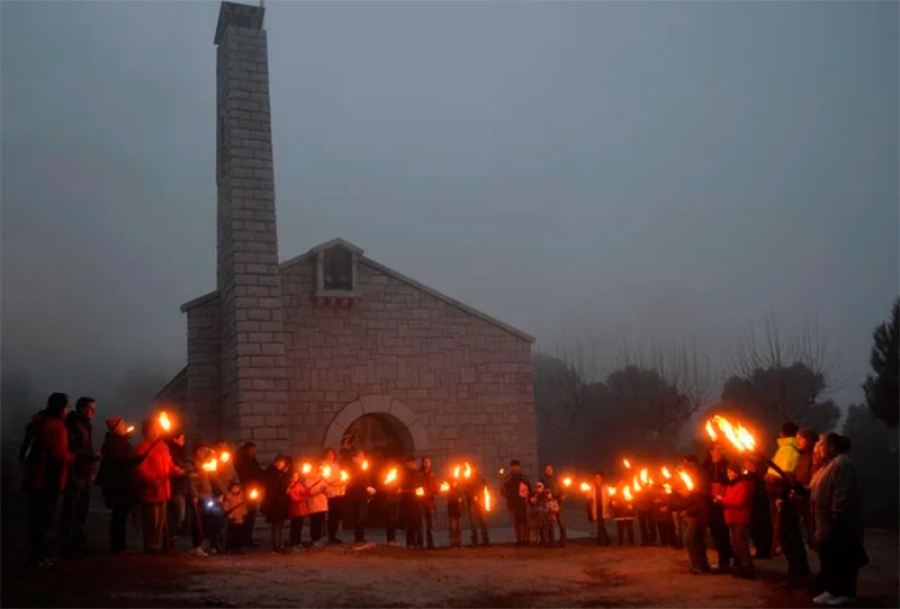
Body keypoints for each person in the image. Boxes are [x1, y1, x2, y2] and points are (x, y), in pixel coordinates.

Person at [810, 434, 867, 607]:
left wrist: (837, 516)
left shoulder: (843, 464)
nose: (818, 448)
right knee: (830, 559)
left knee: (844, 559)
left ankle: (847, 594)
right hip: (826, 525)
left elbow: (842, 494)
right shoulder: (828, 465)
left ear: (832, 446)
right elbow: (817, 489)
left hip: (840, 524)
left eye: (821, 445)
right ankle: (832, 590)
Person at [22, 393, 75, 567]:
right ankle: (40, 556)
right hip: (49, 477)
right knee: (45, 518)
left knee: (35, 517)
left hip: (34, 475)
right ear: (61, 408)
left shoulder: (38, 421)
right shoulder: (57, 426)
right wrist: (73, 457)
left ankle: (34, 553)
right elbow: (60, 454)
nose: (67, 410)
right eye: (66, 407)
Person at [95, 417, 146, 554]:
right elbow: (121, 462)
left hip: (122, 484)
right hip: (118, 485)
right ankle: (117, 546)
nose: (125, 426)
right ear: (116, 428)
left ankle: (119, 545)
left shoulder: (119, 442)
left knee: (121, 515)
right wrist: (138, 459)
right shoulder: (113, 443)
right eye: (123, 424)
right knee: (119, 515)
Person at [135, 419, 184, 554]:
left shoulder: (162, 445)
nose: (155, 431)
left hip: (163, 489)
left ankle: (157, 544)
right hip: (151, 490)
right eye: (152, 428)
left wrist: (178, 470)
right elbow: (141, 468)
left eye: (157, 428)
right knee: (152, 519)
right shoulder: (142, 447)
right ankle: (150, 546)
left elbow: (169, 464)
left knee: (161, 520)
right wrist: (151, 480)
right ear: (146, 431)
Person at [59, 396, 98, 556]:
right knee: (74, 508)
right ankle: (70, 543)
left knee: (81, 507)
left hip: (82, 470)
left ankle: (76, 541)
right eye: (91, 409)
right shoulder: (74, 425)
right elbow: (72, 449)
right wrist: (90, 456)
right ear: (82, 409)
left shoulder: (85, 425)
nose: (93, 413)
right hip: (75, 472)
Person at [715, 462, 755, 579]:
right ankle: (742, 566)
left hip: (740, 519)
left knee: (742, 545)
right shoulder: (730, 486)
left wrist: (723, 500)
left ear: (737, 473)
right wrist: (720, 501)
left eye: (731, 472)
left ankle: (749, 568)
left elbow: (739, 502)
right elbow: (728, 500)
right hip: (731, 518)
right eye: (728, 472)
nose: (729, 474)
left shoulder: (743, 485)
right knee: (734, 545)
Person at [768, 421, 801, 555]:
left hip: (781, 496)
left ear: (783, 433)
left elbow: (786, 476)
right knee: (784, 531)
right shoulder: (784, 449)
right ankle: (794, 564)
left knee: (787, 531)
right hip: (777, 493)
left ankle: (797, 567)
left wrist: (779, 494)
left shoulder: (788, 450)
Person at [703, 442, 734, 572]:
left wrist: (723, 490)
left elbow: (731, 481)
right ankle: (724, 558)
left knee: (724, 533)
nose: (720, 451)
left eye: (722, 449)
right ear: (711, 451)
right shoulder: (706, 466)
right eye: (717, 449)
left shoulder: (727, 464)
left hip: (724, 503)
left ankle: (725, 561)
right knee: (716, 533)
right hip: (710, 504)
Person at [680, 455, 710, 574]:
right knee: (695, 541)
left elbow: (700, 501)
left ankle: (699, 564)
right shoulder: (691, 478)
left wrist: (688, 510)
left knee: (690, 540)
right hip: (693, 514)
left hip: (697, 515)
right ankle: (701, 565)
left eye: (686, 463)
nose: (684, 466)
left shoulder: (699, 477)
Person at [234, 441, 265, 547]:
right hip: (245, 490)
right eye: (252, 450)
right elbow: (244, 474)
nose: (253, 452)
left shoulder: (252, 460)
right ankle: (242, 540)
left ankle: (248, 539)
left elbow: (258, 471)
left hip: (252, 490)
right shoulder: (241, 460)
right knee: (244, 515)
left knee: (251, 515)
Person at [166, 430, 192, 552]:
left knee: (180, 515)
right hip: (176, 487)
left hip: (181, 487)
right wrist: (185, 470)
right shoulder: (173, 452)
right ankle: (170, 538)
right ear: (175, 439)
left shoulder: (181, 452)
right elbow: (176, 467)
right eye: (182, 438)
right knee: (178, 515)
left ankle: (171, 540)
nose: (184, 441)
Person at [344, 451, 375, 544]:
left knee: (362, 516)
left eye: (363, 456)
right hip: (357, 495)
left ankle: (361, 535)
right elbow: (356, 479)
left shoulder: (363, 467)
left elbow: (366, 479)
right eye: (360, 456)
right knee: (359, 516)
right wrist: (366, 487)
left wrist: (368, 493)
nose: (363, 458)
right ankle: (359, 536)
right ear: (355, 458)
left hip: (363, 495)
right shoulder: (353, 467)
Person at [261, 454, 290, 553]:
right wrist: (285, 489)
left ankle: (279, 543)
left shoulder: (281, 473)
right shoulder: (272, 473)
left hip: (281, 502)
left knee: (280, 524)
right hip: (275, 502)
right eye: (280, 462)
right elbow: (274, 488)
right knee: (276, 525)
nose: (281, 464)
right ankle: (275, 544)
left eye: (283, 462)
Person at [745, 457, 773, 559]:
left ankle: (766, 550)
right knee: (755, 529)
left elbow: (764, 481)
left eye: (749, 463)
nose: (747, 465)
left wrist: (755, 471)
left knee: (763, 528)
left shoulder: (761, 471)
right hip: (752, 504)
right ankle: (759, 549)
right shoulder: (748, 475)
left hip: (761, 503)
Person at [320, 447, 346, 544]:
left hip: (338, 492)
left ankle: (334, 535)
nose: (331, 456)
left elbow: (340, 476)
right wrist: (333, 482)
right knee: (331, 515)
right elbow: (324, 479)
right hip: (330, 493)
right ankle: (330, 535)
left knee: (337, 515)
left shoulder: (336, 465)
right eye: (329, 454)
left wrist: (342, 481)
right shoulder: (323, 465)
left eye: (332, 454)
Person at [501, 460, 530, 546]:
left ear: (519, 467)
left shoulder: (524, 478)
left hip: (523, 504)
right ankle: (519, 539)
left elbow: (529, 490)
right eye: (513, 466)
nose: (515, 468)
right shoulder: (507, 479)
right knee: (516, 523)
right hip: (512, 504)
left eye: (516, 466)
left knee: (525, 522)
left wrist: (529, 500)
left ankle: (526, 539)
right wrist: (502, 487)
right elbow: (503, 493)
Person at [539, 463, 567, 547]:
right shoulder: (542, 480)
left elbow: (562, 489)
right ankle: (551, 542)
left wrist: (563, 495)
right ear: (544, 470)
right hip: (549, 503)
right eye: (547, 469)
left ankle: (563, 541)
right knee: (550, 523)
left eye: (550, 469)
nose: (548, 470)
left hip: (558, 502)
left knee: (561, 522)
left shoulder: (556, 479)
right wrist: (545, 495)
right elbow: (540, 490)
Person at [464, 463, 491, 547]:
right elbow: (465, 490)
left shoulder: (480, 478)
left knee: (483, 522)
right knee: (473, 523)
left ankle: (485, 540)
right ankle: (475, 541)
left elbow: (485, 487)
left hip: (480, 502)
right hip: (472, 503)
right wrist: (472, 496)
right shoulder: (467, 479)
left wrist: (479, 496)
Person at [400, 455, 423, 548]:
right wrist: (412, 491)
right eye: (412, 463)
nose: (414, 464)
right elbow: (402, 488)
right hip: (408, 501)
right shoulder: (403, 474)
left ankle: (418, 542)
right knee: (410, 522)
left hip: (418, 501)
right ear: (407, 464)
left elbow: (421, 484)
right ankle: (410, 542)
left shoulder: (417, 473)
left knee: (417, 522)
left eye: (415, 463)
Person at [304, 464, 329, 549]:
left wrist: (325, 487)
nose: (314, 472)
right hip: (313, 504)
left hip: (322, 504)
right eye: (313, 470)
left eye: (316, 470)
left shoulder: (322, 479)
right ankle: (314, 540)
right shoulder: (307, 480)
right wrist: (320, 489)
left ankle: (319, 539)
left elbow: (326, 490)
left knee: (320, 523)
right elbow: (310, 491)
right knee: (314, 523)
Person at [419, 456, 439, 549]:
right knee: (421, 522)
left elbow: (435, 486)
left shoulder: (432, 474)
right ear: (423, 463)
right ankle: (420, 543)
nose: (427, 463)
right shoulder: (419, 474)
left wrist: (438, 490)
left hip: (430, 501)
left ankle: (430, 543)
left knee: (430, 524)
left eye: (428, 462)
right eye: (425, 462)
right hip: (421, 501)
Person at [287, 470, 310, 551]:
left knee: (299, 527)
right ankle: (293, 543)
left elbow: (305, 493)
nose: (295, 478)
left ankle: (298, 542)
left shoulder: (300, 485)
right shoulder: (289, 486)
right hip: (295, 509)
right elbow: (293, 498)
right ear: (290, 478)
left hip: (301, 509)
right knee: (295, 527)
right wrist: (302, 498)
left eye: (297, 476)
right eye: (294, 476)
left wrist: (306, 492)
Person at [588, 472, 611, 546]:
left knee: (601, 524)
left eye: (599, 478)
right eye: (596, 478)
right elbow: (589, 496)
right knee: (600, 524)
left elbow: (609, 496)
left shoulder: (606, 487)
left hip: (603, 507)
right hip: (596, 508)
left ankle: (601, 540)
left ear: (602, 479)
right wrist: (587, 496)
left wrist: (609, 503)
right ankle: (604, 539)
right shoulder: (592, 487)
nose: (597, 479)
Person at [446, 478, 465, 549]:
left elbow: (462, 500)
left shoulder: (460, 491)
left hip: (459, 512)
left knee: (459, 528)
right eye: (454, 482)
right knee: (453, 528)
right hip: (453, 512)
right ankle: (453, 543)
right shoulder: (449, 491)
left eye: (456, 482)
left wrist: (462, 509)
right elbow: (450, 500)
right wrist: (457, 500)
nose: (455, 484)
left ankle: (459, 543)